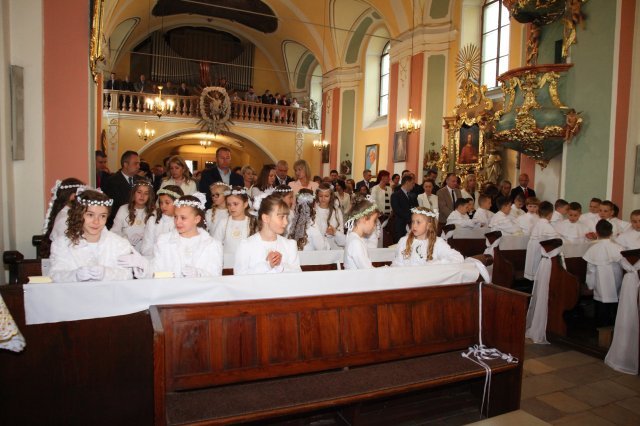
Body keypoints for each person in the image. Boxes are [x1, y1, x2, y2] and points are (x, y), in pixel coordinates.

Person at [49, 189, 134, 282]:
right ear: (79, 215)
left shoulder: (120, 244)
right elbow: (55, 275)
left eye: (102, 216)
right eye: (90, 215)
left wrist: (106, 273)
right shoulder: (62, 244)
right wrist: (74, 275)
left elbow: (127, 274)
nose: (96, 221)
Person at [148, 194, 223, 278]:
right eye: (175, 217)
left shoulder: (212, 245)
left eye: (183, 218)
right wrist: (144, 267)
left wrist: (199, 274)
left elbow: (215, 277)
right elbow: (155, 271)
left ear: (196, 219)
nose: (177, 222)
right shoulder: (164, 241)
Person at [234, 192, 301, 275]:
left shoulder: (290, 245)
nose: (286, 222)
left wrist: (280, 265)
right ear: (265, 218)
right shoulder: (246, 245)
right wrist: (267, 265)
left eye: (286, 217)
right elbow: (239, 276)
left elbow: (298, 276)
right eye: (281, 217)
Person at [583, 220, 624, 326]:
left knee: (601, 307)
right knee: (614, 305)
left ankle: (601, 328)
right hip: (616, 281)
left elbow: (590, 270)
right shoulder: (618, 248)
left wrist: (590, 285)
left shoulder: (593, 249)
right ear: (611, 233)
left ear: (597, 233)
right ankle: (614, 327)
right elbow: (624, 265)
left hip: (600, 283)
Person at [392, 207, 463, 266]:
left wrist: (435, 264)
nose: (414, 225)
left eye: (418, 222)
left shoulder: (437, 242)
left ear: (429, 225)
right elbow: (397, 264)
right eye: (413, 222)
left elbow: (458, 258)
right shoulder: (404, 241)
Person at [41, 178, 86, 257]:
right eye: (82, 196)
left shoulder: (69, 214)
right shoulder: (64, 219)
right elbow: (69, 249)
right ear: (73, 196)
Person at [111, 179, 155, 253]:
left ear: (149, 196)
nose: (142, 196)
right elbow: (115, 231)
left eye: (146, 193)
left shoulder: (153, 212)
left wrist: (144, 236)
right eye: (139, 192)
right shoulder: (123, 209)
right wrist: (124, 240)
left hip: (145, 252)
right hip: (125, 250)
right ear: (133, 193)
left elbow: (156, 234)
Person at [140, 185, 184, 257]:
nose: (163, 206)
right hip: (155, 259)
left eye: (167, 203)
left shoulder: (184, 222)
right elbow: (145, 248)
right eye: (161, 202)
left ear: (178, 203)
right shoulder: (153, 220)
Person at [103, 150, 141, 227]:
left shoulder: (141, 180)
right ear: (125, 164)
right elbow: (109, 206)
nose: (138, 166)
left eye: (139, 164)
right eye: (135, 163)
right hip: (118, 223)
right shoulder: (111, 181)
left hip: (139, 222)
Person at [212, 187, 256, 254]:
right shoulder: (223, 223)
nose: (232, 207)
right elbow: (215, 245)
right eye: (229, 204)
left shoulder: (252, 222)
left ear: (245, 204)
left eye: (235, 204)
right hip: (226, 260)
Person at [524, 201, 559, 281]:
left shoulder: (538, 223)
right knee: (538, 274)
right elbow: (556, 242)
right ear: (550, 214)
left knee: (534, 271)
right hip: (540, 253)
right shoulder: (547, 226)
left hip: (533, 250)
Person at [343, 197, 380, 270]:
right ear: (364, 219)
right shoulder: (355, 242)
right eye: (374, 221)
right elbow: (367, 270)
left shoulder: (354, 238)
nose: (375, 225)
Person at [315, 183, 345, 249]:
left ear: (331, 196)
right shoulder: (314, 211)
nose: (323, 199)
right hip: (319, 248)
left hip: (335, 246)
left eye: (326, 196)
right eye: (320, 196)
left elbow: (341, 230)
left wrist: (335, 232)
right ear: (317, 196)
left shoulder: (337, 211)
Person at [391, 174, 419, 243]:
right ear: (407, 182)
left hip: (411, 224)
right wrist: (410, 218)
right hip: (400, 225)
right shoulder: (395, 195)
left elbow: (416, 208)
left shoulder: (412, 195)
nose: (413, 185)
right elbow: (397, 210)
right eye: (412, 183)